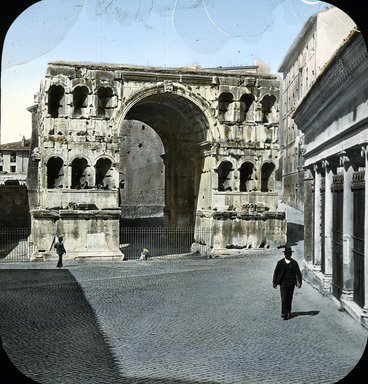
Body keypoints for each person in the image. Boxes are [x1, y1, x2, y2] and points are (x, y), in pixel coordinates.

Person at [272, 245, 302, 320]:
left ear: (291, 254)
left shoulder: (294, 263)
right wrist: (274, 282)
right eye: (286, 253)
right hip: (283, 283)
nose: (288, 255)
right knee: (284, 298)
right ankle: (284, 313)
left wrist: (299, 282)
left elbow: (298, 273)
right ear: (284, 254)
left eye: (289, 253)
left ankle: (288, 311)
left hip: (291, 283)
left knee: (289, 298)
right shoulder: (280, 263)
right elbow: (276, 272)